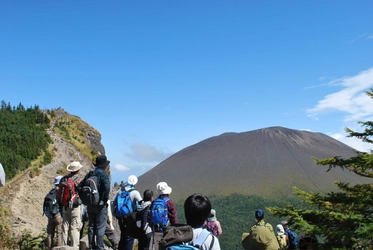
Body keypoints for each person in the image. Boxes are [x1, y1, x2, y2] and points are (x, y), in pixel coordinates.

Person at [77, 155, 110, 250]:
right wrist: (103, 200)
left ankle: (91, 246)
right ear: (104, 166)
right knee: (100, 227)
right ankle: (100, 247)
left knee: (91, 226)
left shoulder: (90, 174)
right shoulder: (103, 175)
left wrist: (85, 199)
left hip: (90, 204)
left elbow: (79, 187)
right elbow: (106, 188)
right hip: (100, 206)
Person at [113, 174, 142, 250]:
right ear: (135, 183)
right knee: (129, 237)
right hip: (130, 217)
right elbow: (141, 203)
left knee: (123, 235)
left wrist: (114, 213)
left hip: (120, 217)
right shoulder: (135, 192)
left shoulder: (120, 191)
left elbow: (113, 202)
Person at [60, 161, 83, 249]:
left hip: (65, 205)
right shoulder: (79, 180)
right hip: (75, 205)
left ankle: (63, 245)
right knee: (75, 226)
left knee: (65, 225)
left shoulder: (64, 179)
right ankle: (74, 246)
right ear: (78, 170)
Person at [151, 182, 179, 250]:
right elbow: (174, 217)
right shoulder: (169, 202)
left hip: (155, 230)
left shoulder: (154, 202)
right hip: (167, 230)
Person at [46, 175, 63, 250]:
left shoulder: (51, 192)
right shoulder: (60, 192)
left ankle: (49, 247)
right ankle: (59, 248)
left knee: (50, 234)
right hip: (58, 214)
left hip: (50, 215)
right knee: (59, 233)